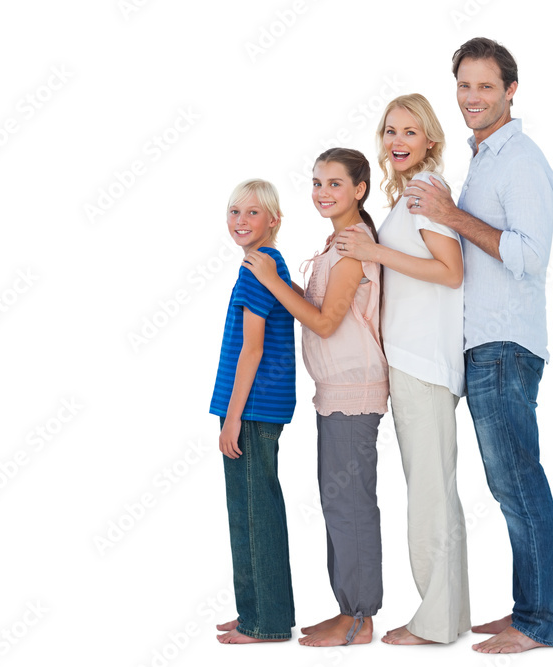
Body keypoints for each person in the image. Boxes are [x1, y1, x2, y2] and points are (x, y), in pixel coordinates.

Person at [403, 37, 553, 653]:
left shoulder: (520, 159)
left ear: (510, 91)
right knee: (508, 482)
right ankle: (530, 608)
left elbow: (527, 254)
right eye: (464, 87)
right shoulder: (483, 160)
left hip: (505, 343)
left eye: (486, 87)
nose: (473, 98)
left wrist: (451, 214)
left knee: (518, 481)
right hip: (483, 346)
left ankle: (540, 623)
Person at [334, 93, 468, 645]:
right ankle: (448, 616)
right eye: (391, 130)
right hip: (412, 363)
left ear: (429, 140)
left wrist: (377, 253)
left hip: (423, 364)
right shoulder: (407, 196)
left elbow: (451, 271)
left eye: (410, 132)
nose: (397, 141)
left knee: (430, 494)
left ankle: (435, 623)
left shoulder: (424, 191)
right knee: (434, 489)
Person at [243, 148, 388, 647]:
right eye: (317, 183)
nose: (322, 193)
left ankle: (360, 618)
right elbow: (320, 309)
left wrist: (272, 282)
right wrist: (283, 285)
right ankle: (348, 609)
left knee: (350, 503)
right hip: (334, 391)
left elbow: (326, 322)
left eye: (334, 184)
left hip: (354, 390)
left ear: (360, 190)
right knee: (337, 499)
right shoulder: (336, 244)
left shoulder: (354, 246)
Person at [209, 179, 297, 644]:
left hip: (252, 408)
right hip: (254, 406)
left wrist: (232, 416)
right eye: (233, 212)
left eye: (252, 214)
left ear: (274, 221)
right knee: (246, 509)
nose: (240, 222)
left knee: (255, 512)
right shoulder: (263, 265)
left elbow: (253, 348)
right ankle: (256, 611)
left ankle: (266, 622)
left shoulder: (258, 268)